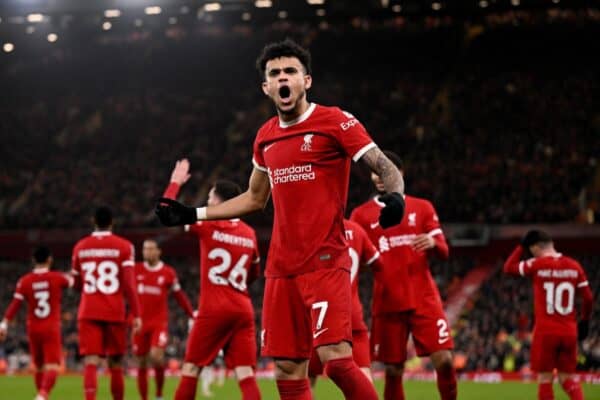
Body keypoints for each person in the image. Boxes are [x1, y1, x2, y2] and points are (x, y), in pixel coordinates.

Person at [156, 39, 405, 400]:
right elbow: (255, 198)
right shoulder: (265, 136)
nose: (283, 78)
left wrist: (396, 196)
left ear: (306, 81)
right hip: (281, 268)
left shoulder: (335, 121)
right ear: (266, 87)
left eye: (290, 71)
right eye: (275, 74)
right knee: (288, 369)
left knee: (335, 361)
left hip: (325, 260)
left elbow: (383, 165)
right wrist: (194, 213)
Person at [350, 151, 456, 400]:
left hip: (424, 299)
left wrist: (432, 241)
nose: (379, 177)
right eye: (375, 172)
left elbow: (444, 250)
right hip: (387, 302)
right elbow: (354, 259)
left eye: (384, 170)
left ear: (400, 174)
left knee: (445, 361)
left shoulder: (422, 207)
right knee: (393, 370)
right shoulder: (361, 215)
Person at [163, 162, 262, 400]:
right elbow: (255, 273)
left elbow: (167, 212)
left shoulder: (207, 223)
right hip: (243, 308)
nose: (207, 202)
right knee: (245, 373)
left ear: (218, 201)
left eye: (209, 197)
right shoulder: (250, 233)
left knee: (191, 369)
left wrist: (175, 182)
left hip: (214, 308)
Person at [504, 230, 593, 400]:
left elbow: (508, 268)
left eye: (530, 249)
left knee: (545, 379)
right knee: (567, 379)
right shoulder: (574, 266)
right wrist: (585, 322)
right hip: (569, 331)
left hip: (546, 332)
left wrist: (520, 247)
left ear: (536, 247)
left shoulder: (537, 264)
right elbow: (588, 298)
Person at [71, 207, 142, 400]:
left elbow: (77, 284)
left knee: (91, 361)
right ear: (112, 222)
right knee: (116, 362)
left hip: (88, 310)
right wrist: (136, 314)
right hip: (114, 310)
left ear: (93, 221)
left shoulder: (80, 247)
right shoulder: (125, 246)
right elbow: (129, 285)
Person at [308, 219, 382, 388]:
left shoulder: (313, 227)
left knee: (305, 378)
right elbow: (379, 265)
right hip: (351, 313)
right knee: (363, 376)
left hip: (319, 314)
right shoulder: (357, 230)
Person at [0, 246, 73, 400]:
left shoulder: (24, 281)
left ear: (33, 260)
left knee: (39, 366)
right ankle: (42, 394)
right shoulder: (57, 277)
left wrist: (4, 323)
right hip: (51, 326)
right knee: (53, 365)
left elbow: (15, 304)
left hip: (33, 327)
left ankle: (41, 395)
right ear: (50, 259)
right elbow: (73, 281)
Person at [133, 239, 195, 400]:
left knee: (156, 356)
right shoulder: (135, 270)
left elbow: (179, 296)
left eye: (151, 249)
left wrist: (191, 314)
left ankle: (159, 394)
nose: (147, 252)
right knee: (141, 362)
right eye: (145, 249)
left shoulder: (168, 273)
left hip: (158, 323)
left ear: (159, 251)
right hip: (139, 323)